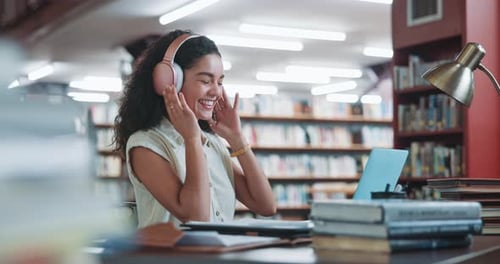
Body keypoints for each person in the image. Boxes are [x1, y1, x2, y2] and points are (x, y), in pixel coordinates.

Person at [114, 29, 277, 228]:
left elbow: (266, 205)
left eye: (220, 82)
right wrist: (191, 140)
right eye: (205, 81)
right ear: (170, 81)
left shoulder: (212, 143)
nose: (216, 91)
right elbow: (197, 217)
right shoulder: (145, 145)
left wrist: (237, 138)